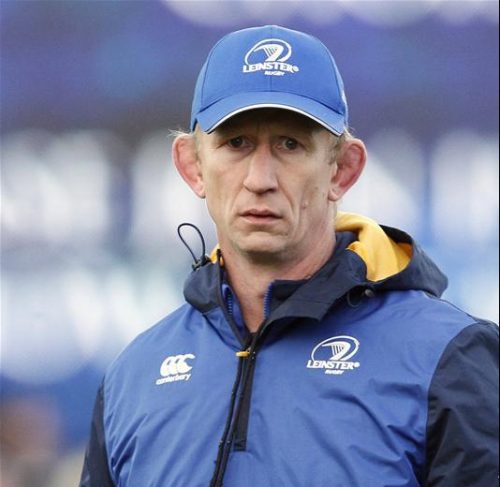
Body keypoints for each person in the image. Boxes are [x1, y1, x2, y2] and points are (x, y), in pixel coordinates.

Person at [80, 25, 499, 487]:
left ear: (342, 170)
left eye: (290, 144)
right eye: (236, 144)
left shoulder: (447, 358)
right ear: (192, 166)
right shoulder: (133, 377)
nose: (260, 179)